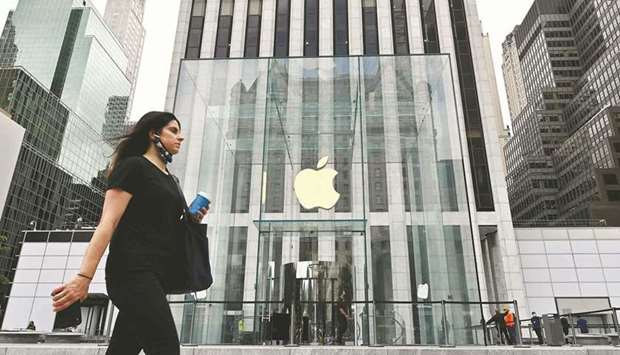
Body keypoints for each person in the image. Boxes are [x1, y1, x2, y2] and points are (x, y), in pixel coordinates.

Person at [50, 112, 209, 355]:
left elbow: (165, 226)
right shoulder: (133, 167)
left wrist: (193, 219)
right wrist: (84, 277)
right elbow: (108, 223)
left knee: (122, 350)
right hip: (132, 272)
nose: (181, 137)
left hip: (156, 276)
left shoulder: (170, 179)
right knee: (166, 348)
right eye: (173, 131)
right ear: (154, 134)